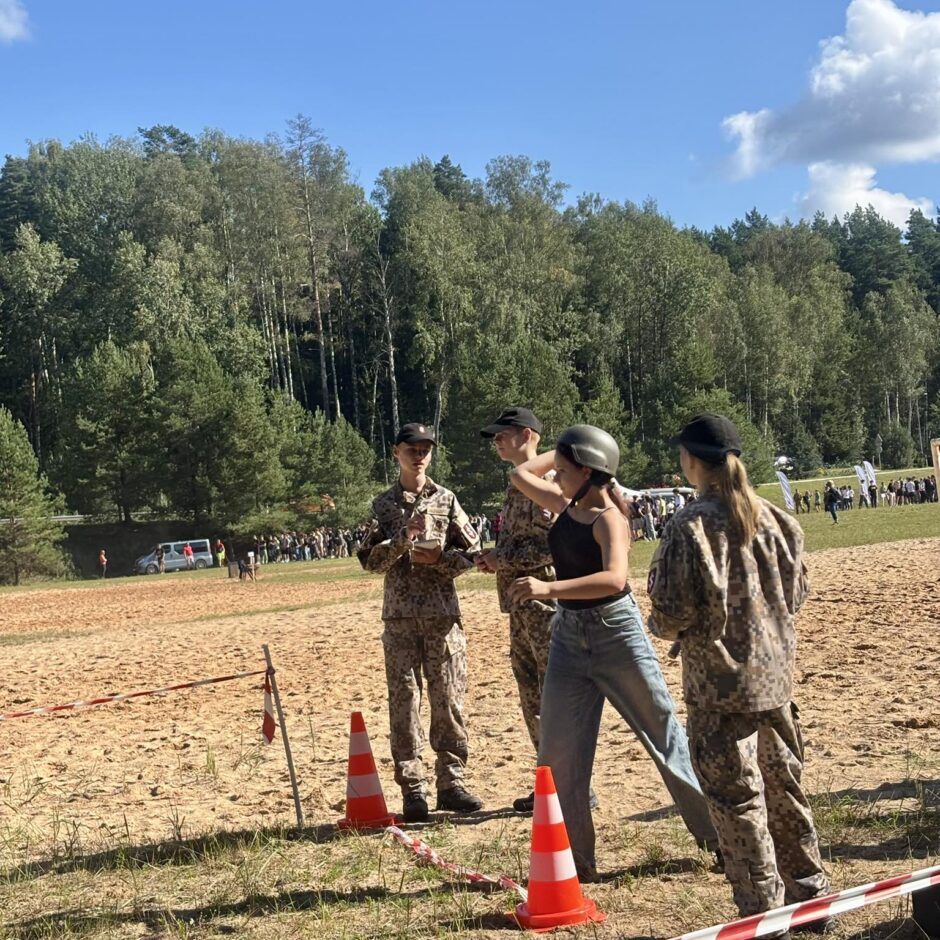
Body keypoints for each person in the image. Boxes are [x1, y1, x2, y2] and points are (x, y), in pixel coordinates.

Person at [507, 424, 717, 880]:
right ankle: (573, 865)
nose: (555, 479)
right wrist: (567, 448)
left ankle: (720, 840)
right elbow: (522, 474)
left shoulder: (610, 520)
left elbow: (615, 579)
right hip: (568, 637)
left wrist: (549, 588)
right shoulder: (565, 505)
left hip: (615, 634)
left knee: (664, 738)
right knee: (557, 754)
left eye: (564, 471)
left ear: (588, 473)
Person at [648, 413, 831, 935]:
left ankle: (762, 915)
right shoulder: (777, 519)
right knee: (785, 792)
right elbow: (796, 596)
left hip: (719, 690)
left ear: (691, 460)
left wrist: (670, 626)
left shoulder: (689, 526)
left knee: (737, 804)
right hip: (776, 682)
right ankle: (811, 900)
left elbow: (669, 614)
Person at [357, 422, 483, 823]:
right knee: (404, 704)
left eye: (426, 447)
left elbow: (474, 555)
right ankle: (413, 788)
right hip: (400, 621)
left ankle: (451, 782)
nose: (420, 453)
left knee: (448, 701)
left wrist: (441, 560)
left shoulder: (446, 500)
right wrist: (400, 543)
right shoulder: (382, 506)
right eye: (412, 447)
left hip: (442, 619)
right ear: (396, 452)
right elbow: (367, 561)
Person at [474, 407, 558, 813]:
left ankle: (568, 781)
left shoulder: (551, 483)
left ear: (526, 435)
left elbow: (554, 544)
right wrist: (497, 557)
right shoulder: (516, 487)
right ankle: (549, 778)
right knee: (533, 698)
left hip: (545, 602)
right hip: (521, 605)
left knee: (553, 694)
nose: (496, 441)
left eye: (501, 435)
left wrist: (501, 557)